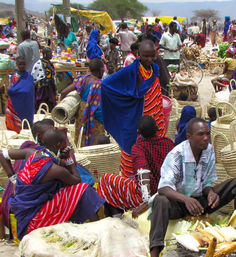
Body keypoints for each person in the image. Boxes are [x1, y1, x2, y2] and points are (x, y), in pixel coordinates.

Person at [141, 117, 236, 257]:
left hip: (200, 201)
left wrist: (211, 193)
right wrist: (185, 199)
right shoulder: (176, 155)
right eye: (201, 134)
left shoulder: (209, 150)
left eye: (208, 133)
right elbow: (164, 188)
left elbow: (207, 181)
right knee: (160, 200)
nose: (206, 138)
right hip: (179, 203)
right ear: (189, 136)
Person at [2, 128, 104, 240]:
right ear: (59, 145)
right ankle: (99, 230)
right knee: (83, 189)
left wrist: (14, 179)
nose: (68, 147)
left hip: (23, 218)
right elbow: (77, 180)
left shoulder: (31, 152)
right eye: (67, 145)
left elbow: (2, 155)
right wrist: (69, 159)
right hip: (35, 220)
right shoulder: (56, 170)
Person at [102, 40, 166, 179]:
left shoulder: (154, 69)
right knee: (133, 149)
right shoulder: (131, 71)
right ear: (138, 54)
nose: (149, 59)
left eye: (152, 56)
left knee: (154, 150)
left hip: (154, 118)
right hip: (136, 119)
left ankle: (152, 181)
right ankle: (131, 186)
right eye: (145, 56)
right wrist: (129, 101)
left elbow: (156, 91)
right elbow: (106, 85)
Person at [98, 115, 174, 217]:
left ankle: (117, 217)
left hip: (149, 193)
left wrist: (147, 201)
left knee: (106, 180)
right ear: (156, 128)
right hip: (169, 189)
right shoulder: (168, 143)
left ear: (138, 132)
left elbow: (143, 171)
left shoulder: (138, 147)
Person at [60, 58, 104, 146]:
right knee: (96, 139)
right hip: (94, 113)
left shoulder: (82, 79)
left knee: (80, 134)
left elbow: (63, 92)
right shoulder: (100, 85)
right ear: (101, 70)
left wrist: (63, 107)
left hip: (81, 111)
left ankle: (80, 152)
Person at [5, 56, 35, 133]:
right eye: (20, 64)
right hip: (13, 103)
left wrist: (15, 91)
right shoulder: (13, 76)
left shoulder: (29, 77)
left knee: (25, 124)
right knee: (12, 123)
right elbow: (10, 88)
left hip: (25, 104)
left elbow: (28, 91)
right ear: (17, 64)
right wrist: (11, 91)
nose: (22, 66)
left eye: (23, 64)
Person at [31, 47, 57, 112]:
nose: (51, 55)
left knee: (50, 105)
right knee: (41, 104)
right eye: (49, 53)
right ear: (44, 54)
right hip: (42, 90)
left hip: (50, 88)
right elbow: (35, 76)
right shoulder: (39, 64)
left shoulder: (50, 63)